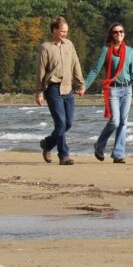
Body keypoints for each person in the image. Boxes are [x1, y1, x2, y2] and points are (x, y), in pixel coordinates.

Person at [83, 22, 133, 164]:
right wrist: (85, 86)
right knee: (115, 121)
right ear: (111, 34)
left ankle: (118, 154)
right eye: (116, 32)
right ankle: (99, 145)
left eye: (121, 31)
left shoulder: (129, 51)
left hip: (127, 90)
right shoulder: (106, 50)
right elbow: (95, 70)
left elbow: (132, 71)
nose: (119, 34)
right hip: (113, 89)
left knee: (123, 122)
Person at [35, 16, 85, 165]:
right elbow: (40, 71)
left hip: (68, 88)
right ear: (54, 30)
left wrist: (80, 84)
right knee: (61, 123)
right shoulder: (46, 47)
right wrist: (39, 92)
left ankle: (48, 144)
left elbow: (76, 64)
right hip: (52, 88)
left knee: (68, 123)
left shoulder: (69, 45)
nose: (65, 34)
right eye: (62, 31)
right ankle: (64, 155)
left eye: (66, 31)